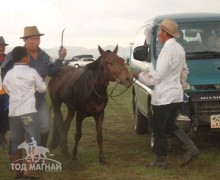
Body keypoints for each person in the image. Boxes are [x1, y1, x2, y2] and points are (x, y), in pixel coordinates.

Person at [132, 18, 199, 168]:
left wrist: (140, 76)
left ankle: (161, 161)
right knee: (169, 125)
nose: (158, 35)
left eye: (160, 32)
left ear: (166, 33)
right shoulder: (179, 49)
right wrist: (180, 84)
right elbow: (184, 70)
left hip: (164, 97)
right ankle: (190, 147)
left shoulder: (166, 51)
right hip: (176, 95)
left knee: (158, 129)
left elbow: (157, 77)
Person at [1, 26, 67, 148]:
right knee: (19, 132)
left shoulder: (44, 56)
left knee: (45, 127)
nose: (36, 42)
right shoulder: (15, 54)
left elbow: (51, 71)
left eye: (37, 39)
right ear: (25, 40)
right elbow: (4, 72)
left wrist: (61, 59)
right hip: (20, 102)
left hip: (40, 100)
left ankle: (38, 153)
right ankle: (17, 160)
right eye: (32, 39)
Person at [3, 46, 46, 178]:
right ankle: (30, 169)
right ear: (25, 58)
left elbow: (5, 89)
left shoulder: (9, 74)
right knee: (34, 138)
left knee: (16, 139)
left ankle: (17, 169)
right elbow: (42, 88)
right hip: (28, 113)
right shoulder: (31, 72)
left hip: (14, 113)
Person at [0, 36, 9, 149]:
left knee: (6, 115)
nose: (1, 48)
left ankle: (3, 134)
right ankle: (1, 137)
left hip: (6, 92)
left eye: (2, 46)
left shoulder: (8, 59)